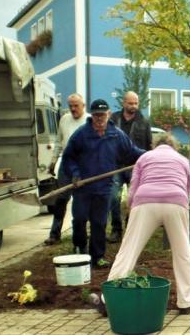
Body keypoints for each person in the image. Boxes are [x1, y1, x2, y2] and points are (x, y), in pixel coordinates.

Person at [106, 133, 190, 314]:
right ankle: (186, 302)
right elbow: (188, 188)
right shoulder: (182, 160)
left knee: (128, 251)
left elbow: (133, 187)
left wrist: (132, 208)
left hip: (145, 202)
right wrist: (181, 208)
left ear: (154, 145)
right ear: (174, 146)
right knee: (183, 253)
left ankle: (108, 299)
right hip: (175, 201)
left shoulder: (144, 157)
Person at [61, 99, 144, 268]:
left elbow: (132, 152)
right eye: (96, 115)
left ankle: (97, 256)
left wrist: (151, 155)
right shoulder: (81, 135)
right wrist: (75, 174)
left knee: (99, 223)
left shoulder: (116, 134)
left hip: (104, 187)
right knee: (80, 219)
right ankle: (80, 250)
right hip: (83, 187)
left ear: (108, 114)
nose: (99, 118)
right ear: (91, 115)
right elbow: (68, 158)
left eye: (103, 115)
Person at [107, 91, 152, 243]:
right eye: (130, 103)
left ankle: (131, 228)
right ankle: (116, 230)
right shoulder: (113, 119)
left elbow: (148, 146)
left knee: (134, 199)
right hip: (116, 165)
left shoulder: (144, 122)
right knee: (114, 196)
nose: (133, 106)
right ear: (124, 103)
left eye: (136, 103)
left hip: (135, 166)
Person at [44, 93, 89, 246]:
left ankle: (80, 233)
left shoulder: (89, 121)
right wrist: (53, 161)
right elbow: (58, 142)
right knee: (61, 199)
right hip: (66, 165)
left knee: (81, 200)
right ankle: (54, 234)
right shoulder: (64, 119)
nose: (73, 109)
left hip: (83, 165)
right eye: (70, 106)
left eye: (76, 105)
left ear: (83, 105)